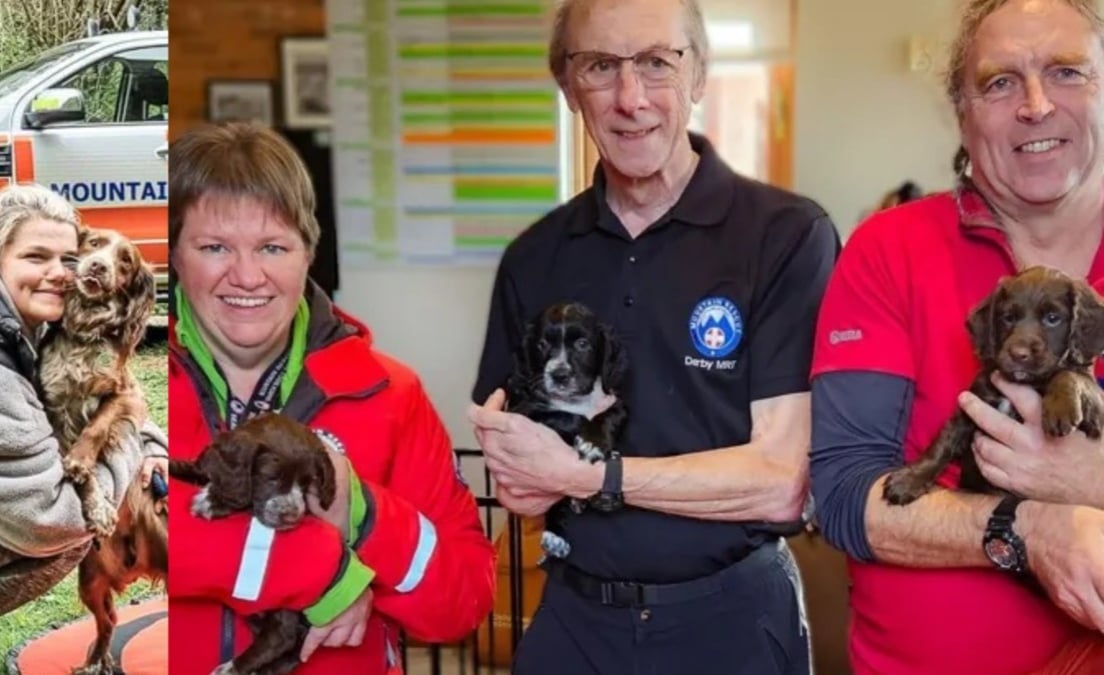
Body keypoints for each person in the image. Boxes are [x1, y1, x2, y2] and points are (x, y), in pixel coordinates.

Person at [466, 0, 841, 672]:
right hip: (576, 616)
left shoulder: (786, 236)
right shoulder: (534, 257)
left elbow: (781, 481)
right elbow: (517, 474)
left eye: (656, 63)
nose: (630, 98)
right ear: (568, 85)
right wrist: (532, 471)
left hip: (734, 614)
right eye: (601, 66)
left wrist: (588, 474)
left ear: (698, 75)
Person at [809, 1, 1104, 673]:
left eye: (1066, 71)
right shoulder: (887, 248)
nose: (1035, 105)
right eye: (1000, 82)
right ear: (961, 113)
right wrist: (1031, 528)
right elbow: (845, 495)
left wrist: (1093, 479)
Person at [166, 121, 496, 675]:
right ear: (175, 253)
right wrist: (322, 568)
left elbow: (462, 605)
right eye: (214, 247)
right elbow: (110, 538)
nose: (247, 276)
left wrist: (361, 514)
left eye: (273, 246)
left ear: (308, 253)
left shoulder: (392, 394)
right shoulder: (127, 376)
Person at [0, 184, 168, 675]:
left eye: (66, 257)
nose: (62, 272)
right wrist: (128, 424)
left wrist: (149, 439)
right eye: (35, 256)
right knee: (74, 530)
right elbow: (54, 516)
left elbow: (107, 391)